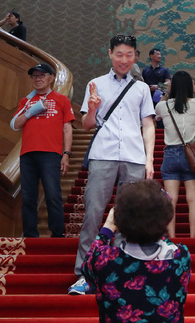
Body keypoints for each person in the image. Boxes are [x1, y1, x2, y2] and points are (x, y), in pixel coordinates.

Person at [69, 34, 156, 295]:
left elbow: (149, 124)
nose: (124, 60)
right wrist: (93, 109)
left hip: (133, 157)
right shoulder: (95, 84)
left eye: (129, 55)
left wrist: (149, 159)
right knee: (94, 214)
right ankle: (84, 274)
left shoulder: (141, 88)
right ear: (110, 54)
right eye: (119, 54)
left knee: (128, 218)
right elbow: (86, 124)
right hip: (103, 154)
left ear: (136, 57)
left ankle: (118, 272)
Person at [80, 179, 191, 323]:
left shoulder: (104, 260)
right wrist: (156, 215)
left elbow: (87, 265)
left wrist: (108, 227)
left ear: (118, 220)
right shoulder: (180, 256)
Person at [10, 63, 74, 238]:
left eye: (42, 75)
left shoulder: (61, 99)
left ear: (51, 78)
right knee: (28, 197)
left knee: (53, 194)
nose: (38, 79)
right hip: (27, 154)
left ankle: (57, 234)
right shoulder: (26, 101)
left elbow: (67, 129)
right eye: (34, 76)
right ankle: (31, 235)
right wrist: (32, 111)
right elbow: (15, 124)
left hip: (51, 153)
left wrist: (66, 154)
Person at [155, 71, 195, 238]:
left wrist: (166, 92)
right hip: (191, 155)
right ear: (189, 86)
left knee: (171, 200)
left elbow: (157, 113)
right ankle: (193, 238)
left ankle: (172, 237)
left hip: (171, 154)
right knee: (193, 199)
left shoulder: (163, 106)